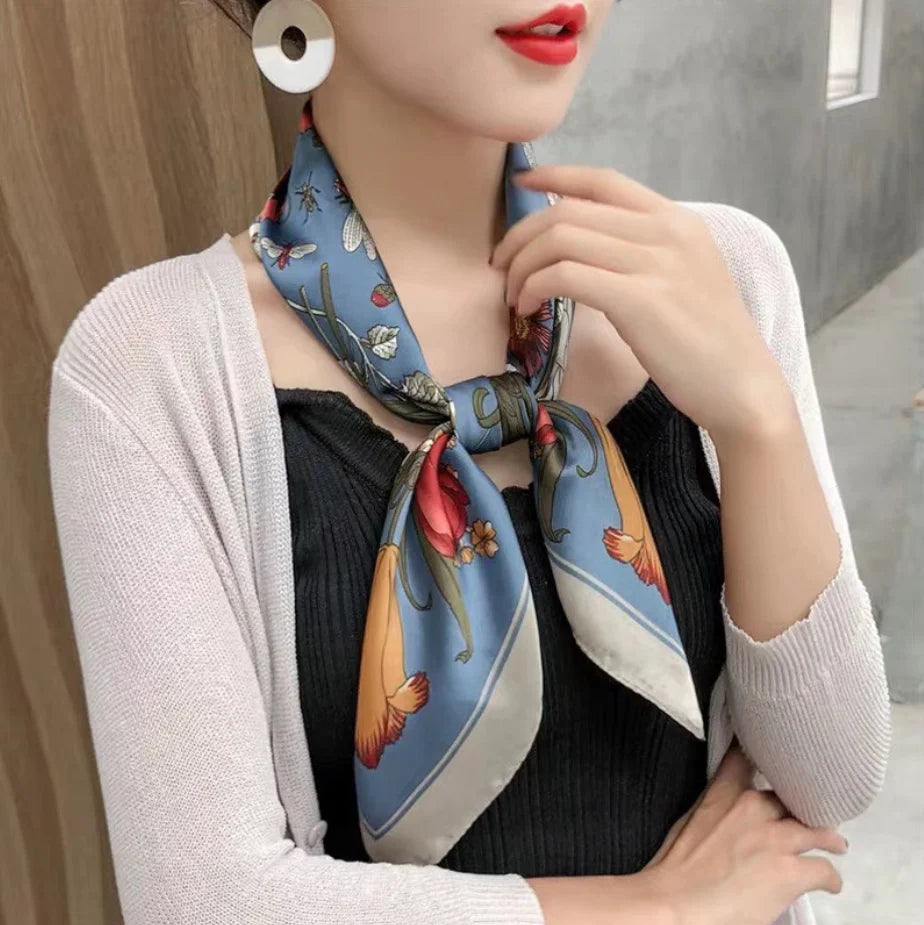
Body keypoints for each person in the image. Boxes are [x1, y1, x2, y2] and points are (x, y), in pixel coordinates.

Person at [46, 1, 891, 923]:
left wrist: (758, 422)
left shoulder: (724, 272)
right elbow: (205, 901)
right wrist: (661, 910)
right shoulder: (152, 367)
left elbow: (830, 778)